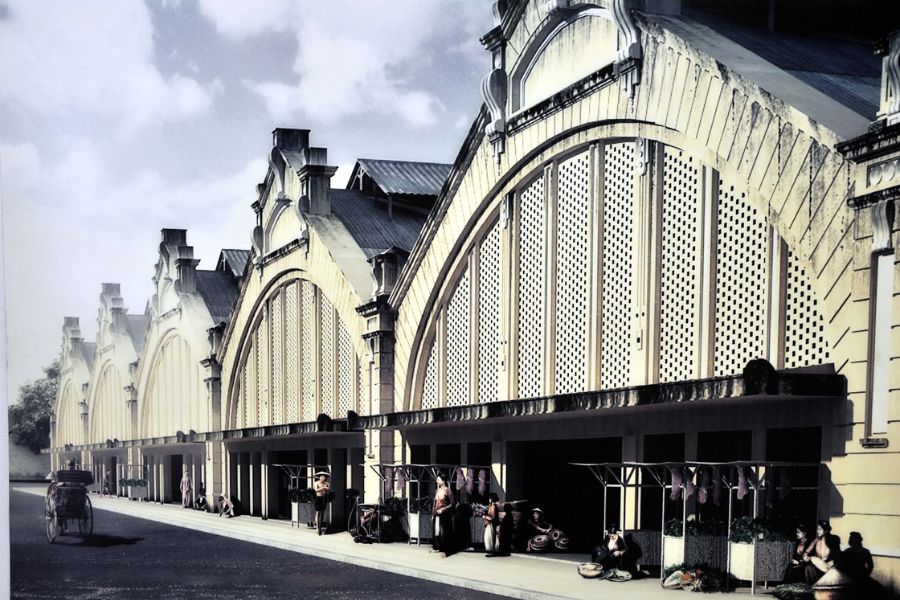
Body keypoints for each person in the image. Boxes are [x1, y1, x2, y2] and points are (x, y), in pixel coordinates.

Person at [802, 520, 841, 584]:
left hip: (829, 567)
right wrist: (805, 557)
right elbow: (806, 551)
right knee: (808, 568)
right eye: (817, 529)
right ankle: (814, 586)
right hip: (818, 566)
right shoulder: (816, 541)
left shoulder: (834, 539)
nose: (817, 532)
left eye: (819, 529)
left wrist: (833, 563)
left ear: (826, 530)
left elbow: (837, 554)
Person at [430, 472, 455, 557]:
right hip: (437, 514)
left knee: (444, 532)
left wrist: (443, 509)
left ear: (443, 481)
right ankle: (436, 547)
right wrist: (433, 513)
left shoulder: (448, 491)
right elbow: (434, 502)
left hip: (445, 515)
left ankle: (444, 550)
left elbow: (452, 503)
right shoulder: (437, 490)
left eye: (438, 479)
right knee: (436, 531)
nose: (437, 480)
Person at [313, 471, 331, 535]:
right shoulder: (316, 483)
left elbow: (329, 489)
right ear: (319, 477)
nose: (323, 478)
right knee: (318, 512)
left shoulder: (326, 483)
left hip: (324, 498)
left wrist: (327, 488)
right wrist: (323, 487)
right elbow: (316, 490)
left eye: (324, 477)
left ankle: (320, 526)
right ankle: (317, 527)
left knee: (323, 512)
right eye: (322, 477)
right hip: (318, 498)